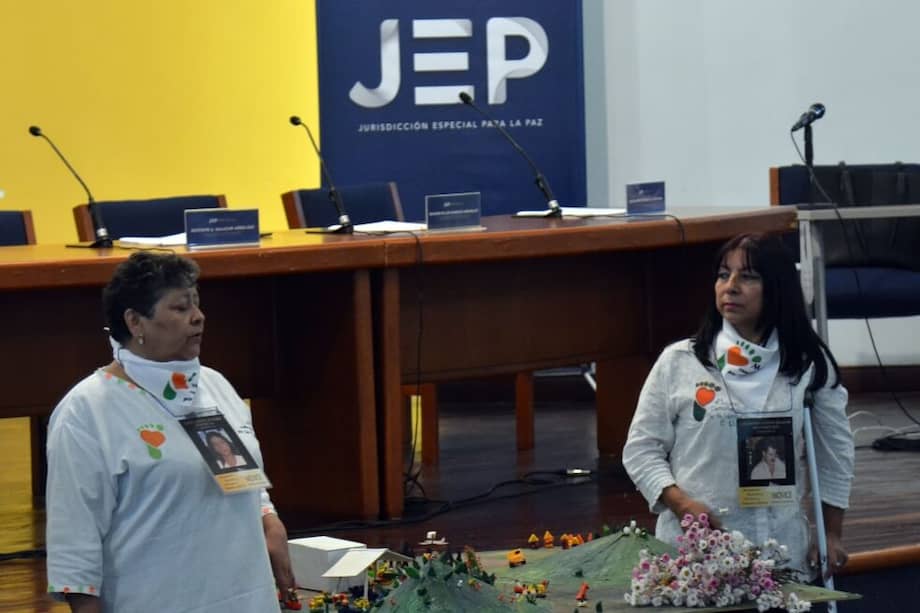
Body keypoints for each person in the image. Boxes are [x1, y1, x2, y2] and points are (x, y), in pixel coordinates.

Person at [46, 252, 296, 613]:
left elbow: (238, 477)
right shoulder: (86, 411)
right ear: (135, 322)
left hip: (246, 597)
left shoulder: (215, 386)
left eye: (196, 303)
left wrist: (267, 518)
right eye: (180, 308)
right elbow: (74, 538)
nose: (198, 316)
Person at [622, 233, 855, 579]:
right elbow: (641, 450)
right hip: (694, 557)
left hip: (782, 556)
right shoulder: (680, 362)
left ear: (776, 287)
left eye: (747, 276)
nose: (730, 287)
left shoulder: (808, 363)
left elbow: (835, 454)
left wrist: (831, 533)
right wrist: (682, 505)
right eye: (722, 274)